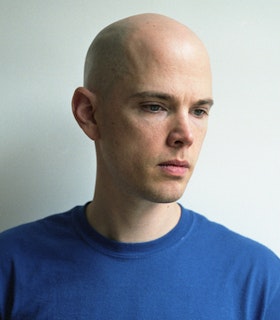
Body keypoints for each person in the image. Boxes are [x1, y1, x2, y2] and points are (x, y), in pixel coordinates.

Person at [0, 13, 279, 319]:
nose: (185, 136)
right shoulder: (10, 266)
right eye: (155, 107)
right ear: (89, 114)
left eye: (198, 111)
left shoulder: (259, 280)